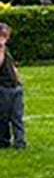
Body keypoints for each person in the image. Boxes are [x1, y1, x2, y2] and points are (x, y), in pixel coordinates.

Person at [0, 22, 26, 151]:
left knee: (17, 117)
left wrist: (18, 78)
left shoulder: (6, 50)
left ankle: (20, 142)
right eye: (4, 35)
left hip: (15, 87)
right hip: (3, 88)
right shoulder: (1, 50)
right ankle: (3, 141)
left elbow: (11, 65)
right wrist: (1, 48)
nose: (6, 38)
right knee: (3, 117)